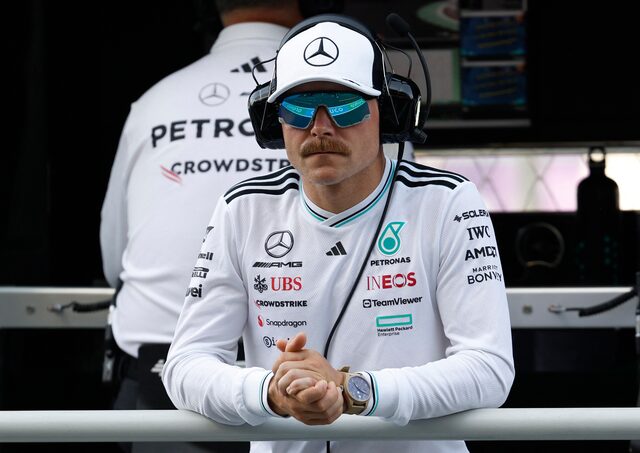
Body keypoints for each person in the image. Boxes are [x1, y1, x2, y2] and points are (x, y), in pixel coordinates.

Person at [162, 13, 514, 453]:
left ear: (388, 114)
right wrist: (270, 393)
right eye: (298, 108)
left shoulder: (447, 202)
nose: (321, 126)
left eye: (345, 105)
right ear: (274, 121)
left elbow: (489, 369)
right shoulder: (242, 209)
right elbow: (184, 367)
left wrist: (355, 391)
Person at [99, 1, 304, 451]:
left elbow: (114, 259)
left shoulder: (155, 101)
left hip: (158, 388)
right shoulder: (355, 102)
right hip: (312, 382)